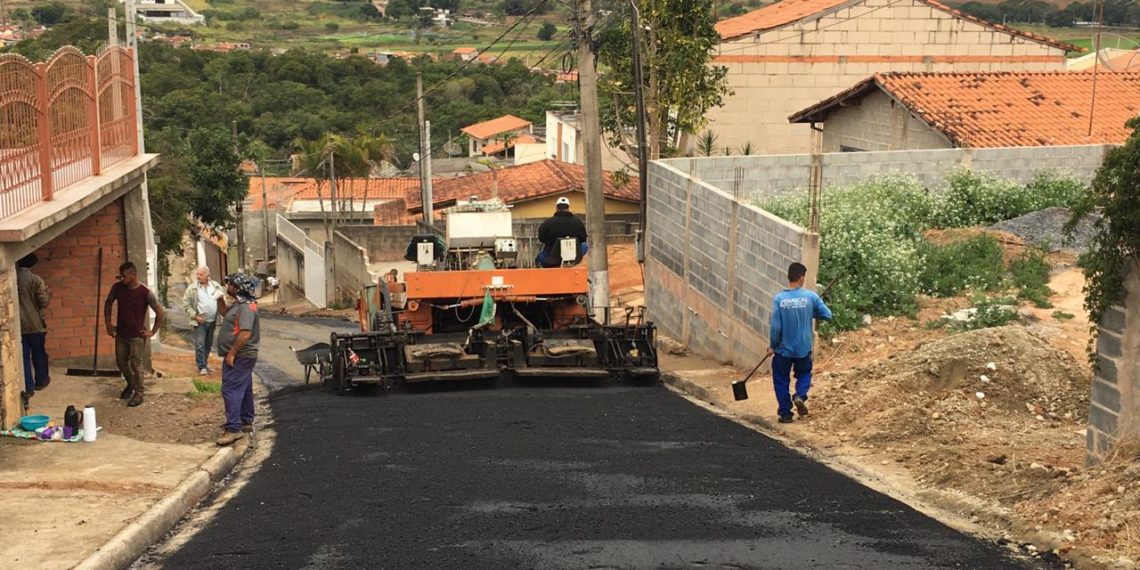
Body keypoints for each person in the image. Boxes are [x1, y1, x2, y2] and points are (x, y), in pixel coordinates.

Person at [767, 262, 832, 424]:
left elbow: (776, 328)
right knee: (804, 373)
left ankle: (785, 414)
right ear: (802, 278)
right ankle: (800, 396)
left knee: (781, 379)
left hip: (783, 350)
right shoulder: (811, 297)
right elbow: (827, 315)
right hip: (803, 348)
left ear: (789, 277)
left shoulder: (779, 300)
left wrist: (772, 346)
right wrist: (812, 311)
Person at [104, 261, 164, 407]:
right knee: (121, 362)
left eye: (124, 276)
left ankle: (139, 393)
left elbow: (160, 312)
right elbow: (108, 303)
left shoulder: (144, 292)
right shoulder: (118, 288)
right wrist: (108, 324)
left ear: (133, 275)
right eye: (121, 276)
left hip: (137, 336)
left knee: (136, 365)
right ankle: (130, 384)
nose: (122, 279)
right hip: (121, 334)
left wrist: (153, 331)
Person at [215, 273, 261, 447]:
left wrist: (232, 353)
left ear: (237, 287)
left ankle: (233, 429)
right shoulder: (239, 305)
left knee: (231, 388)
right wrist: (220, 300)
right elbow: (226, 314)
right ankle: (246, 421)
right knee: (244, 387)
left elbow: (245, 333)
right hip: (242, 355)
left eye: (230, 284)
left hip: (241, 355)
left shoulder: (247, 307)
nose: (228, 287)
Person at [17, 253, 51, 400]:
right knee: (39, 354)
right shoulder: (35, 280)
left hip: (19, 326)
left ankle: (28, 388)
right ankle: (41, 381)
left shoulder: (13, 278)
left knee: (24, 357)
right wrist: (49, 295)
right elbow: (43, 301)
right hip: (35, 324)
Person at [182, 266, 224, 376]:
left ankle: (204, 363)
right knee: (200, 344)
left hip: (213, 321)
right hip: (200, 321)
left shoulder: (215, 286)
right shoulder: (192, 289)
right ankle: (201, 366)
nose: (198, 277)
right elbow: (186, 306)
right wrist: (195, 317)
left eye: (201, 274)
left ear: (207, 275)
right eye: (198, 274)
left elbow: (222, 300)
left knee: (208, 344)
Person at [535, 197, 588, 268]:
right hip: (574, 255)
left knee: (540, 256)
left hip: (551, 258)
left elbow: (541, 239)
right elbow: (583, 238)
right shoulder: (578, 223)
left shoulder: (547, 223)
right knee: (585, 245)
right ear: (568, 208)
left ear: (556, 208)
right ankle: (570, 263)